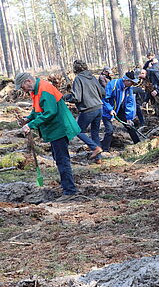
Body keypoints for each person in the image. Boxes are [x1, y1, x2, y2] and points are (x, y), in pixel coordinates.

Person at [16, 72, 81, 200]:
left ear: (28, 81)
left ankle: (70, 191)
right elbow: (37, 110)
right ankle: (67, 187)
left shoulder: (44, 89)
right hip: (54, 130)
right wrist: (28, 119)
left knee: (62, 160)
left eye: (22, 87)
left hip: (59, 129)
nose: (22, 90)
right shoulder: (36, 91)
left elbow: (50, 112)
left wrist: (31, 125)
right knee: (59, 159)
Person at [63, 60, 104, 161]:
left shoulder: (78, 79)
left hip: (88, 110)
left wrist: (65, 97)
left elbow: (76, 98)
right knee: (95, 133)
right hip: (99, 108)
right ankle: (98, 158)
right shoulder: (93, 77)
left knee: (77, 130)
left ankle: (95, 148)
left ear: (75, 69)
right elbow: (103, 92)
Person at [101, 71, 141, 151]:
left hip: (118, 109)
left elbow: (129, 103)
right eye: (132, 82)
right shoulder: (113, 85)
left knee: (129, 125)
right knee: (109, 131)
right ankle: (105, 149)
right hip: (107, 109)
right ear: (126, 80)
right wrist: (110, 109)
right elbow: (105, 99)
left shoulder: (129, 88)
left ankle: (138, 144)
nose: (133, 84)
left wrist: (129, 118)